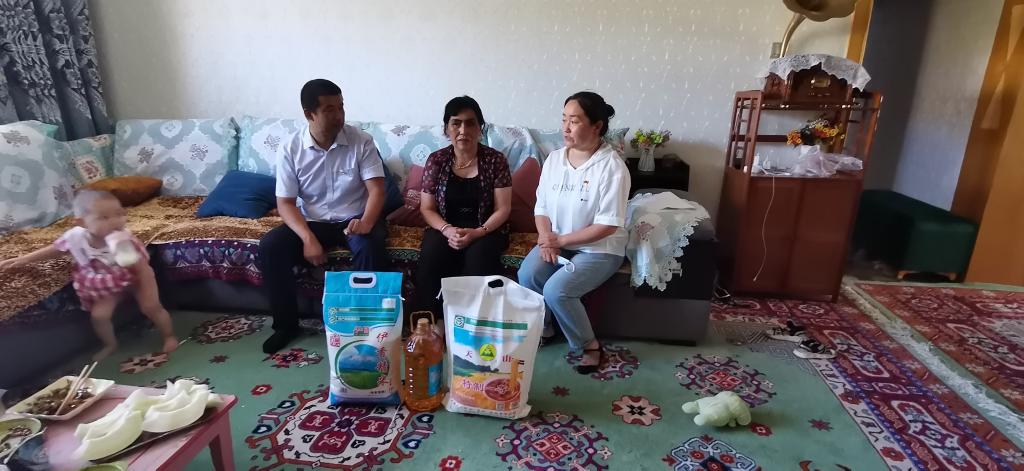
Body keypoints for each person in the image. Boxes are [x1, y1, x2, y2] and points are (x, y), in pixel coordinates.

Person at [259, 79, 388, 353]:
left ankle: (366, 327)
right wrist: (307, 238)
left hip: (355, 217)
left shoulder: (361, 141)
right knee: (271, 246)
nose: (339, 115)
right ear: (309, 114)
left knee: (370, 245)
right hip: (313, 221)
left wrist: (367, 222)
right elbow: (285, 203)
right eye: (330, 109)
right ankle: (285, 325)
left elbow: (377, 189)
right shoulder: (291, 148)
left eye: (341, 106)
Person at [517, 91, 630, 374]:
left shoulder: (612, 167)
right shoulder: (554, 159)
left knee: (557, 291)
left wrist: (559, 240)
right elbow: (541, 207)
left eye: (575, 121)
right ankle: (545, 328)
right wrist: (546, 240)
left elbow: (608, 225)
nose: (566, 128)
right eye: (564, 119)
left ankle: (589, 344)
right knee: (528, 274)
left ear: (597, 126)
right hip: (558, 241)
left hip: (600, 247)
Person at [0, 190, 179, 361]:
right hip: (107, 281)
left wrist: (125, 255)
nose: (115, 222)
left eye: (119, 214)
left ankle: (169, 336)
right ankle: (110, 344)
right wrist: (25, 259)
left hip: (138, 276)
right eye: (104, 218)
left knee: (150, 306)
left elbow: (138, 266)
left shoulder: (125, 239)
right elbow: (57, 249)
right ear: (82, 223)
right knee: (99, 315)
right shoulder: (76, 237)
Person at [415, 96, 512, 321]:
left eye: (470, 123)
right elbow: (427, 208)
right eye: (456, 123)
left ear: (480, 128)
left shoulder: (495, 160)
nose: (463, 130)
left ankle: (470, 324)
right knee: (432, 254)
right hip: (445, 226)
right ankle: (431, 323)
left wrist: (477, 232)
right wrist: (447, 230)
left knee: (480, 258)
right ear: (446, 129)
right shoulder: (437, 160)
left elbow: (503, 208)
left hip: (486, 228)